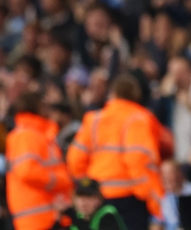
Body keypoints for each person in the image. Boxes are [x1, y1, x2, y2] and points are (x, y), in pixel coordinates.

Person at [67, 73, 165, 230]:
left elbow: (75, 159)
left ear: (112, 94)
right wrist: (154, 203)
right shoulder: (139, 119)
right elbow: (138, 161)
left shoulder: (94, 119)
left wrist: (87, 188)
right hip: (128, 200)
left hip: (97, 199)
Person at [6, 91, 73, 230]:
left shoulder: (38, 134)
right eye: (44, 105)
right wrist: (59, 181)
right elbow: (26, 171)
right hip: (38, 217)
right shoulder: (25, 135)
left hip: (50, 214)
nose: (47, 109)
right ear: (36, 107)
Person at [52, 178, 126, 230]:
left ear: (99, 200)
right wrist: (58, 218)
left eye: (89, 197)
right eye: (80, 197)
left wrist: (71, 214)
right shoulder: (79, 217)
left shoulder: (107, 214)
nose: (83, 201)